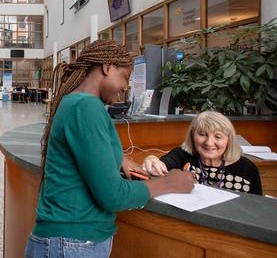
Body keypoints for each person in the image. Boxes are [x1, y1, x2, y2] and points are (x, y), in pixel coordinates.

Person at [26, 40, 195, 258]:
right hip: (71, 244)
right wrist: (168, 183)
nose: (126, 87)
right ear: (107, 67)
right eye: (125, 77)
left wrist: (118, 159)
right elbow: (113, 196)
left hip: (67, 242)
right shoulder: (87, 107)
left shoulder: (75, 102)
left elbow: (84, 153)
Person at [143, 111, 262, 195]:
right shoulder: (182, 155)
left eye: (218, 136)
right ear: (192, 136)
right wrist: (152, 160)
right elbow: (162, 164)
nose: (209, 143)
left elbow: (256, 208)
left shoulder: (248, 169)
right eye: (202, 134)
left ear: (229, 139)